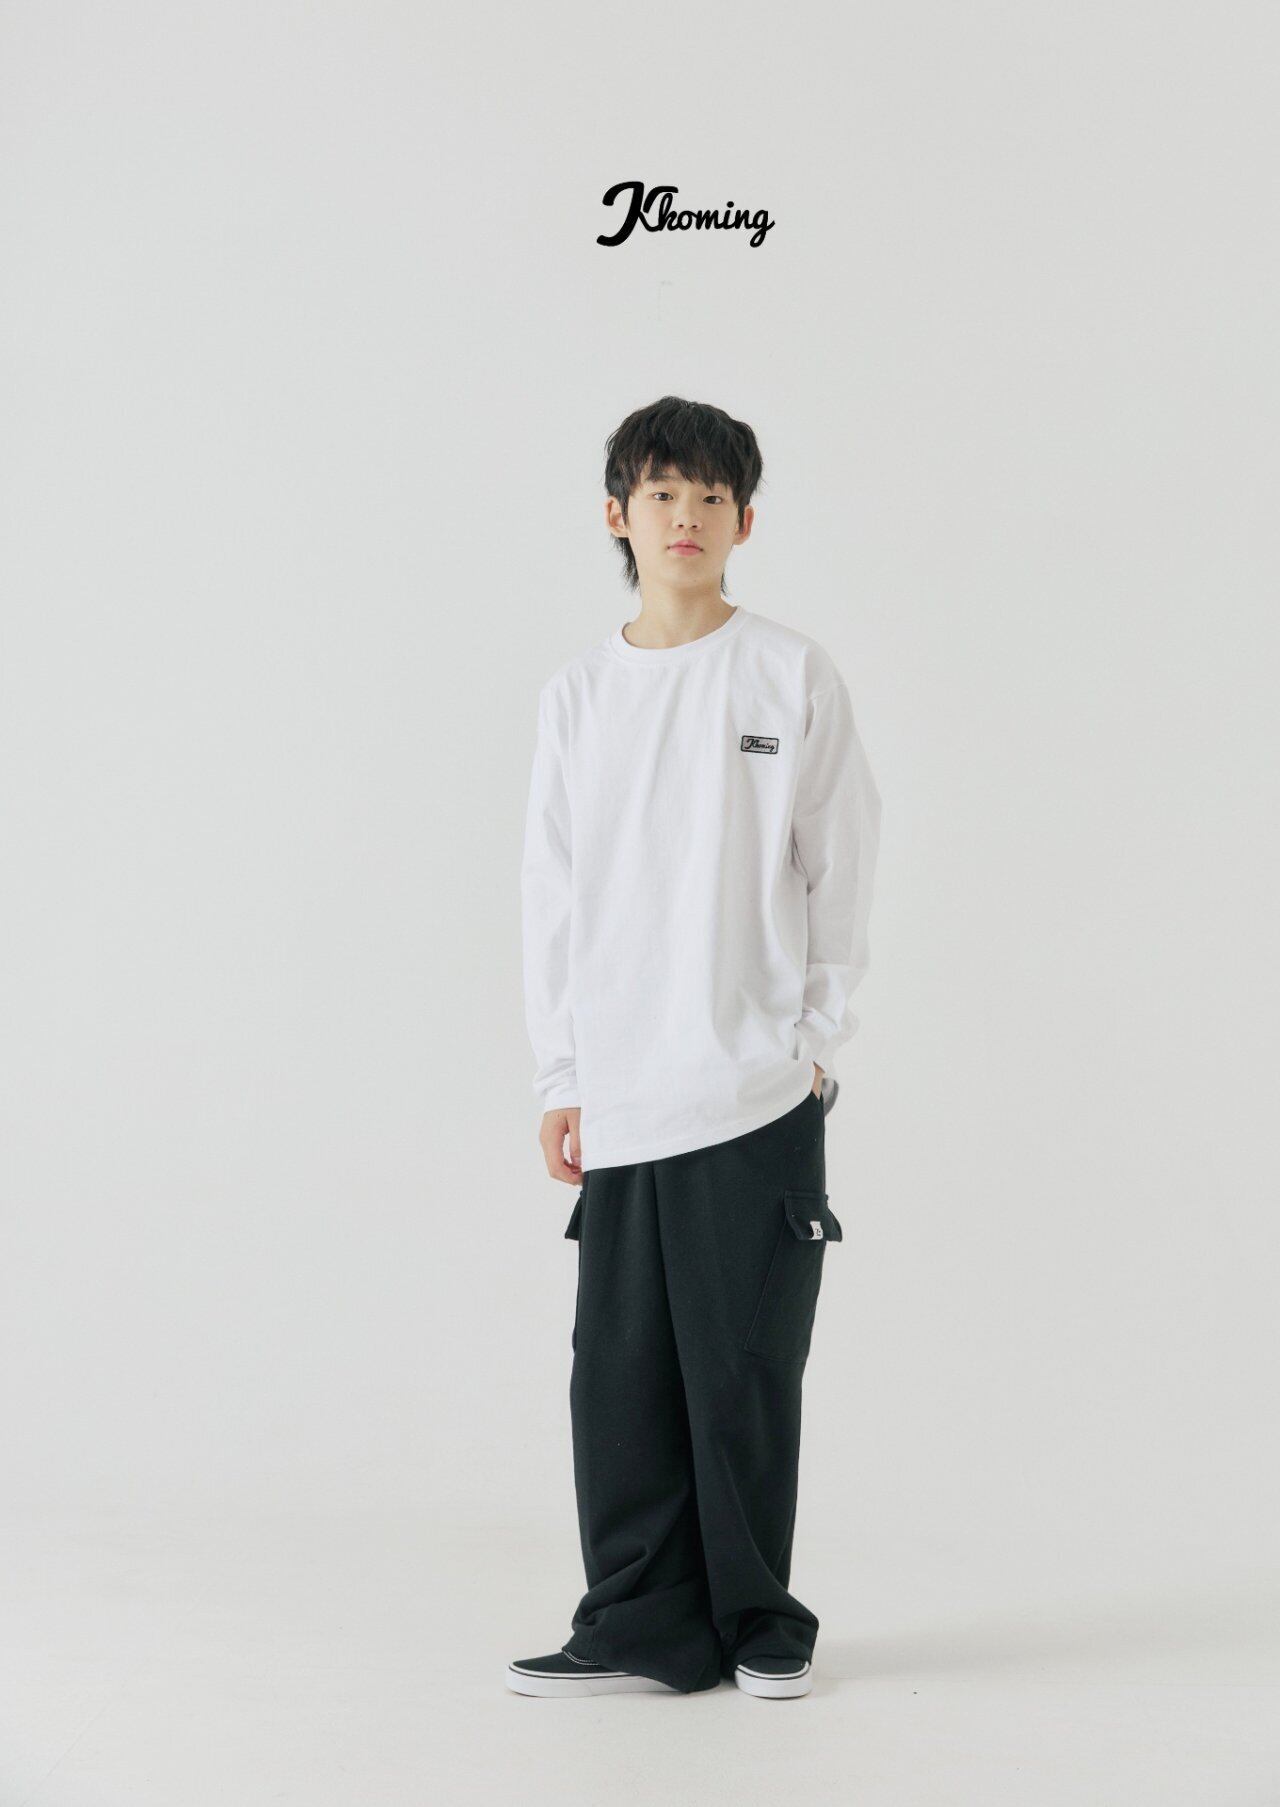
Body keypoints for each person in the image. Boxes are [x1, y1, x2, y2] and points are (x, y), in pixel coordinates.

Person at [508, 395, 882, 1700]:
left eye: (711, 496)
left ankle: (760, 1626)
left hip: (756, 1089)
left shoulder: (788, 675)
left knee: (745, 1375)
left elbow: (842, 862)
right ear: (618, 514)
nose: (687, 516)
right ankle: (637, 1626)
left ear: (745, 522)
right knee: (617, 1379)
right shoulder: (578, 695)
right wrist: (563, 1076)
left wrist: (815, 1039)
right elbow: (552, 898)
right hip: (622, 1088)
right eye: (662, 492)